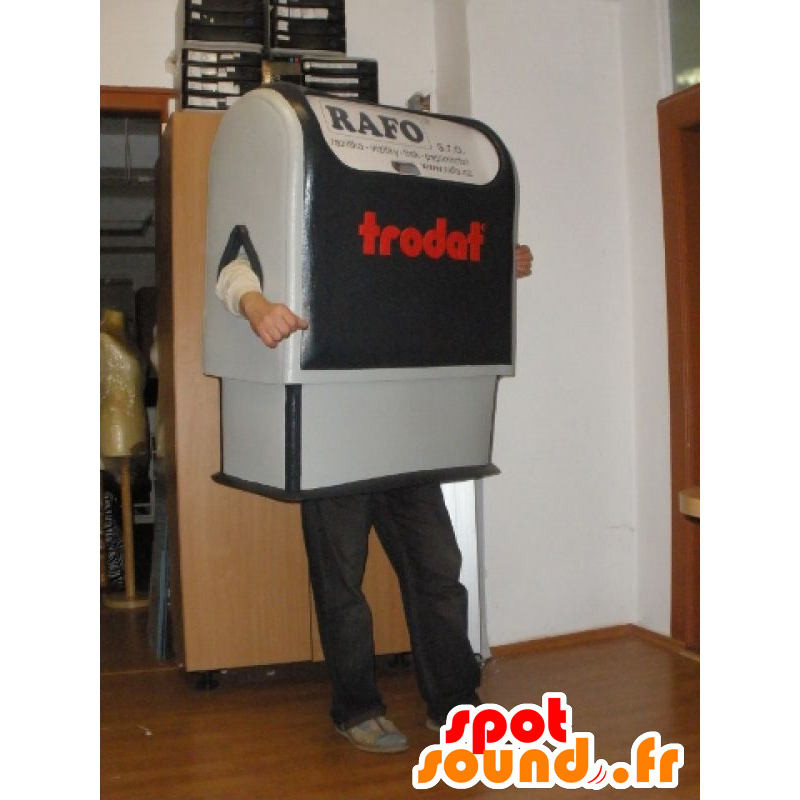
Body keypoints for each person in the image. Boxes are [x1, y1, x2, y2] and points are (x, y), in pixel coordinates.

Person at [215, 244, 533, 754]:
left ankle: (455, 706)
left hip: (399, 431)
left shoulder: (397, 220)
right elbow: (233, 262)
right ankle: (357, 709)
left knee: (438, 569)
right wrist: (256, 306)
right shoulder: (306, 204)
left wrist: (486, 259)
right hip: (329, 433)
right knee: (341, 582)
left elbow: (433, 267)